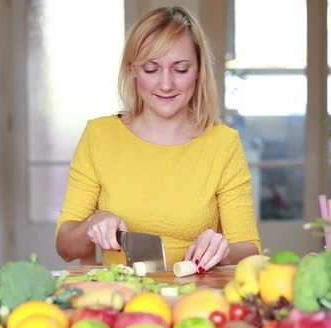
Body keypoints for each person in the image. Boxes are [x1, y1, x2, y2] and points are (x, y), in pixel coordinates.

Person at [55, 6, 260, 272]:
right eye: (152, 69)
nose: (166, 84)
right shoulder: (99, 136)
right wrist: (94, 223)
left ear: (198, 72)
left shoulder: (223, 143)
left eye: (181, 69)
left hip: (198, 298)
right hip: (121, 296)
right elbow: (66, 248)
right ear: (133, 71)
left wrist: (222, 251)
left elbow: (249, 249)